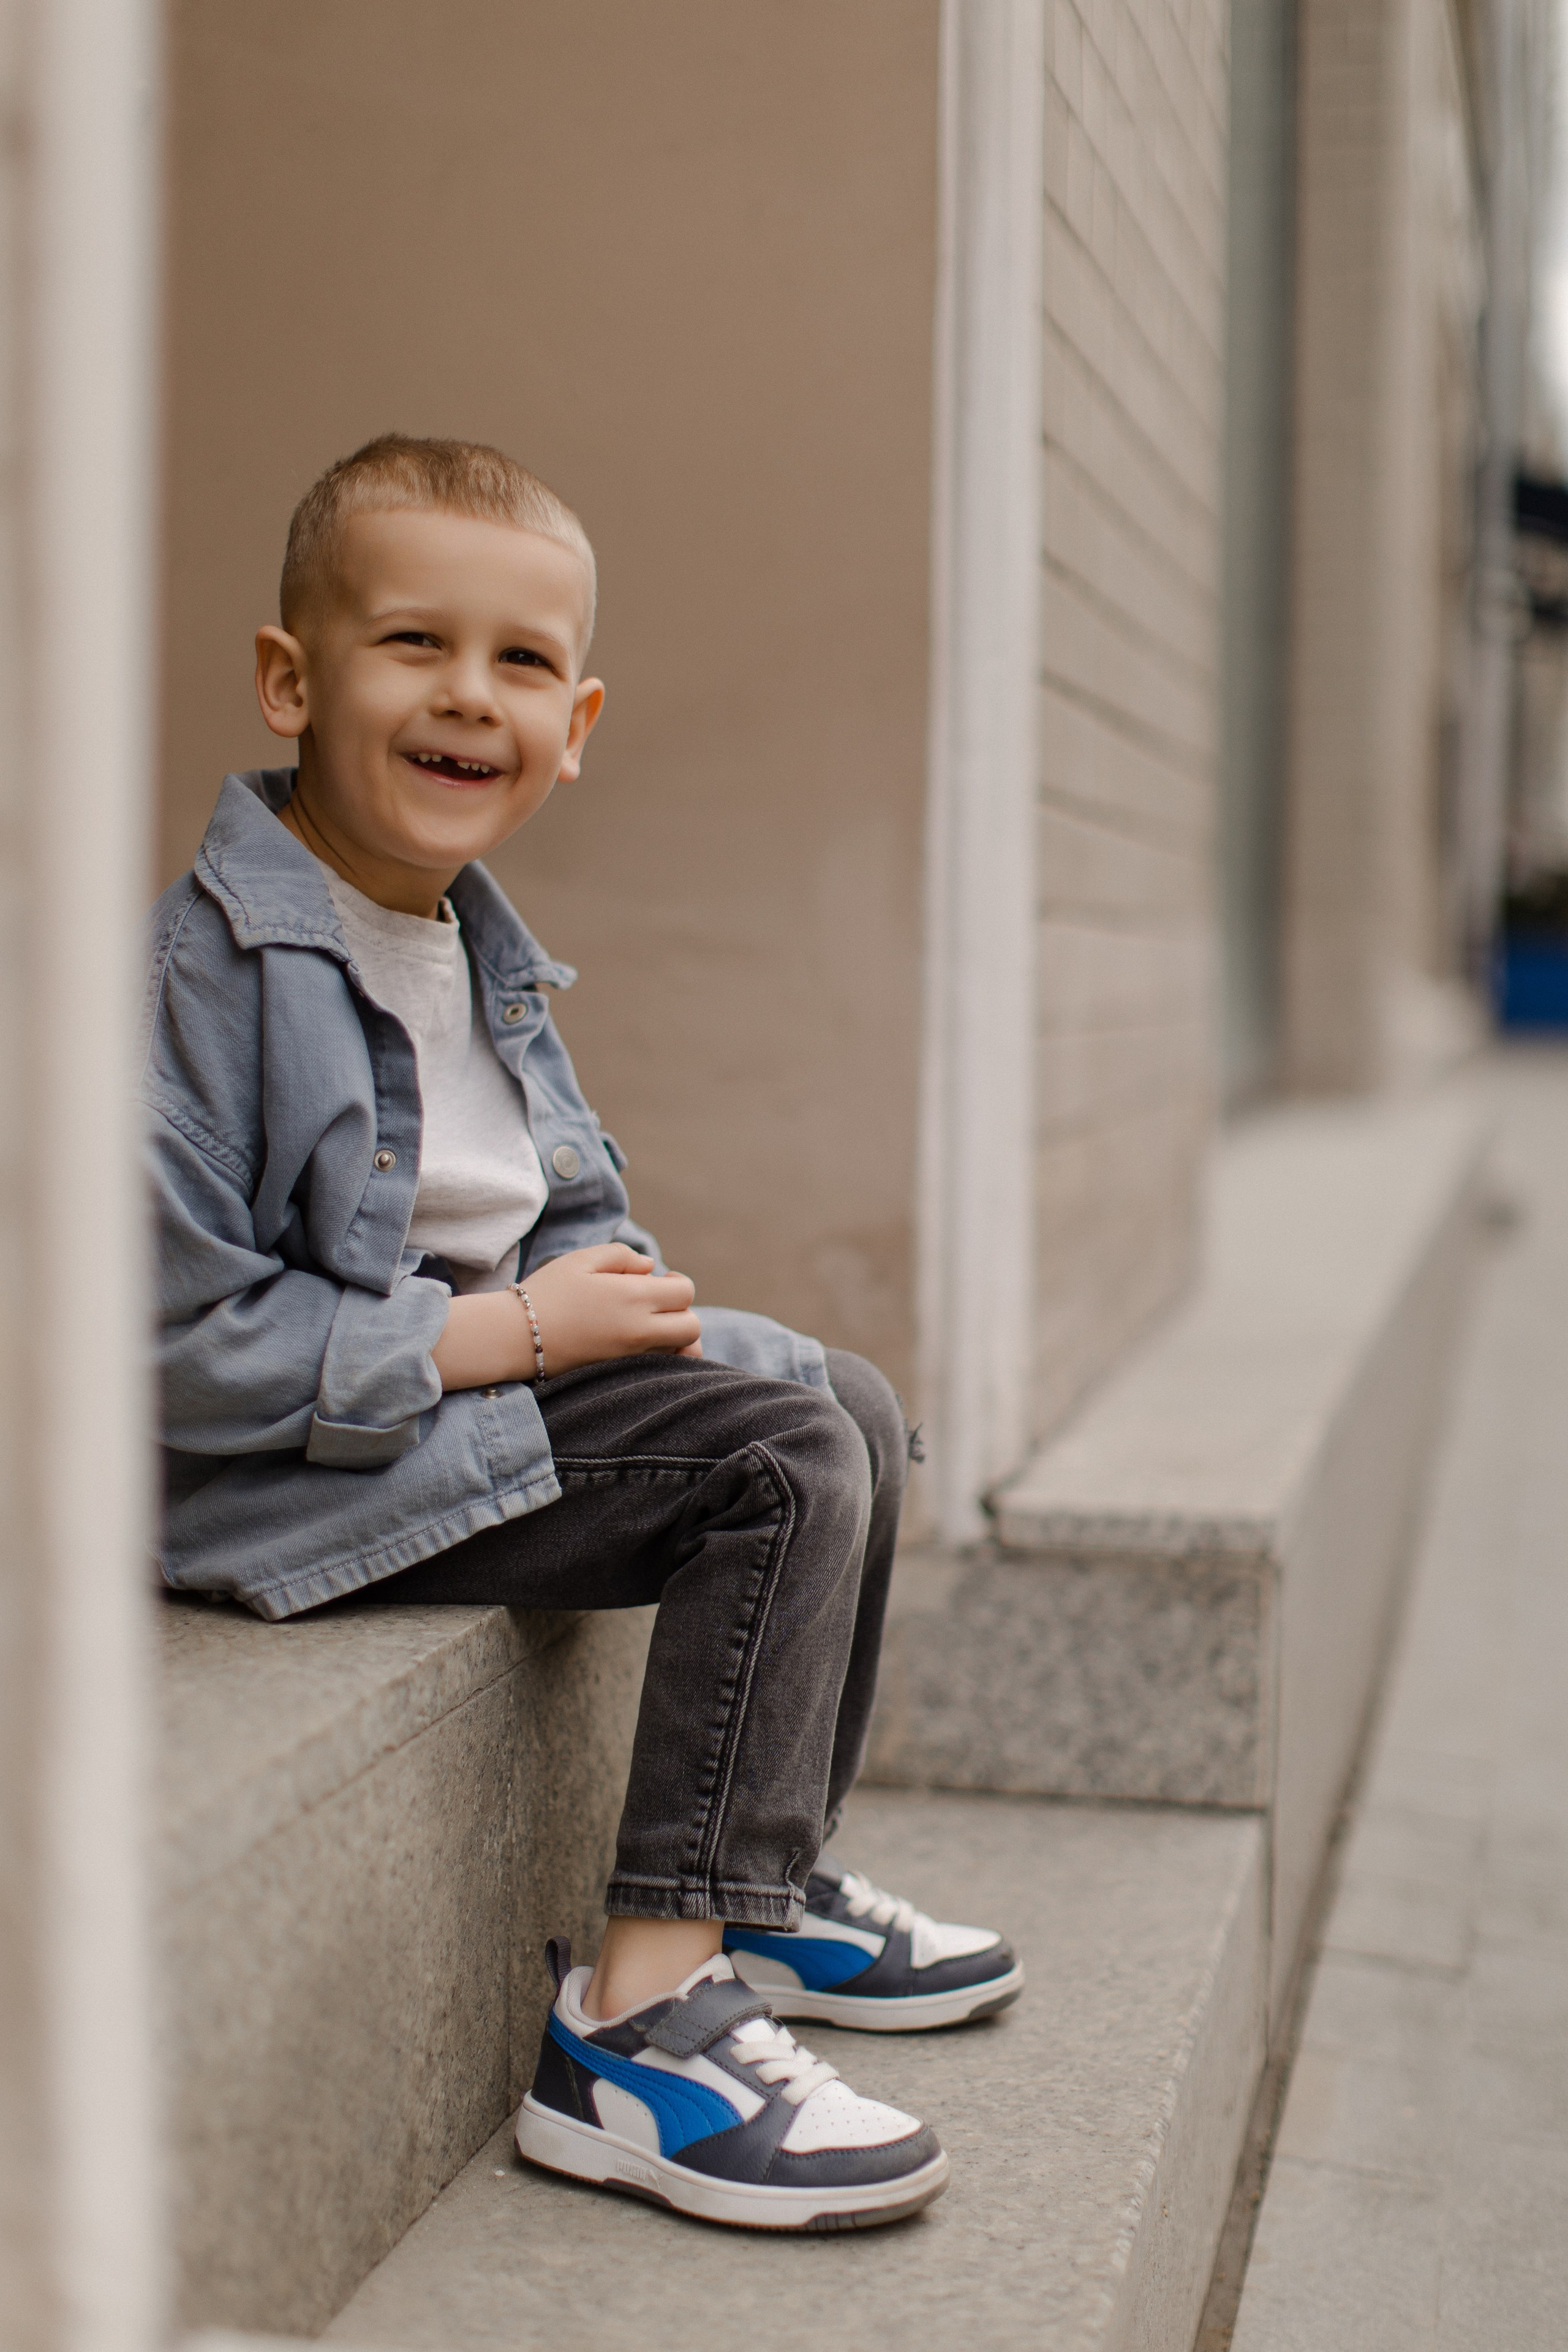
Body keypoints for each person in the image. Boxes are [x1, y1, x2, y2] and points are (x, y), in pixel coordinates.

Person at [145, 434, 1022, 2232]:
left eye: (523, 664)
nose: (471, 698)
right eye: (413, 645)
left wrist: (628, 1320)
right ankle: (637, 2024)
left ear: (580, 721)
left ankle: (756, 1892)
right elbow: (171, 1350)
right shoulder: (198, 986)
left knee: (833, 1395)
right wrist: (512, 1341)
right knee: (772, 1468)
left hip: (471, 1396)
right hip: (286, 1483)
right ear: (288, 679)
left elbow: (560, 1223)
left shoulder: (475, 945)